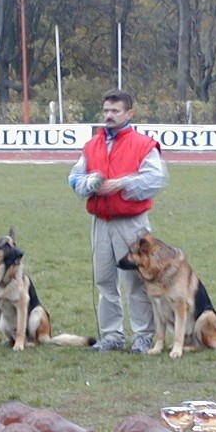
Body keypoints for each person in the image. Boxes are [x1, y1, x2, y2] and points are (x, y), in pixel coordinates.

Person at [68, 90, 168, 353]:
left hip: (132, 224)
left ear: (129, 114)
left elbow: (155, 180)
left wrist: (121, 184)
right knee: (104, 281)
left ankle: (143, 337)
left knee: (137, 281)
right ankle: (111, 336)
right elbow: (74, 179)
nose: (109, 116)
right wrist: (88, 184)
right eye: (106, 111)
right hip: (101, 223)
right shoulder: (91, 145)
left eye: (115, 111)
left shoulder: (144, 145)